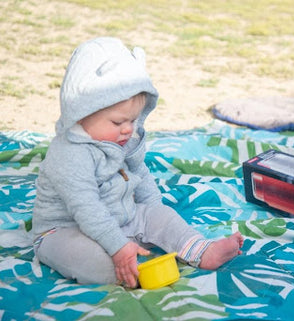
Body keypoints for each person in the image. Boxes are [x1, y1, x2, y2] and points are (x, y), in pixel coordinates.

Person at [32, 37, 243, 288]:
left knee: (161, 216)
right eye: (118, 123)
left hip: (123, 219)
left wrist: (156, 214)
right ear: (81, 112)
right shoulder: (69, 154)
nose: (128, 130)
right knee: (91, 260)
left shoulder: (122, 140)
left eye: (133, 120)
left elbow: (139, 172)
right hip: (65, 230)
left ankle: (200, 250)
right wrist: (117, 246)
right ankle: (131, 269)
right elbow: (86, 207)